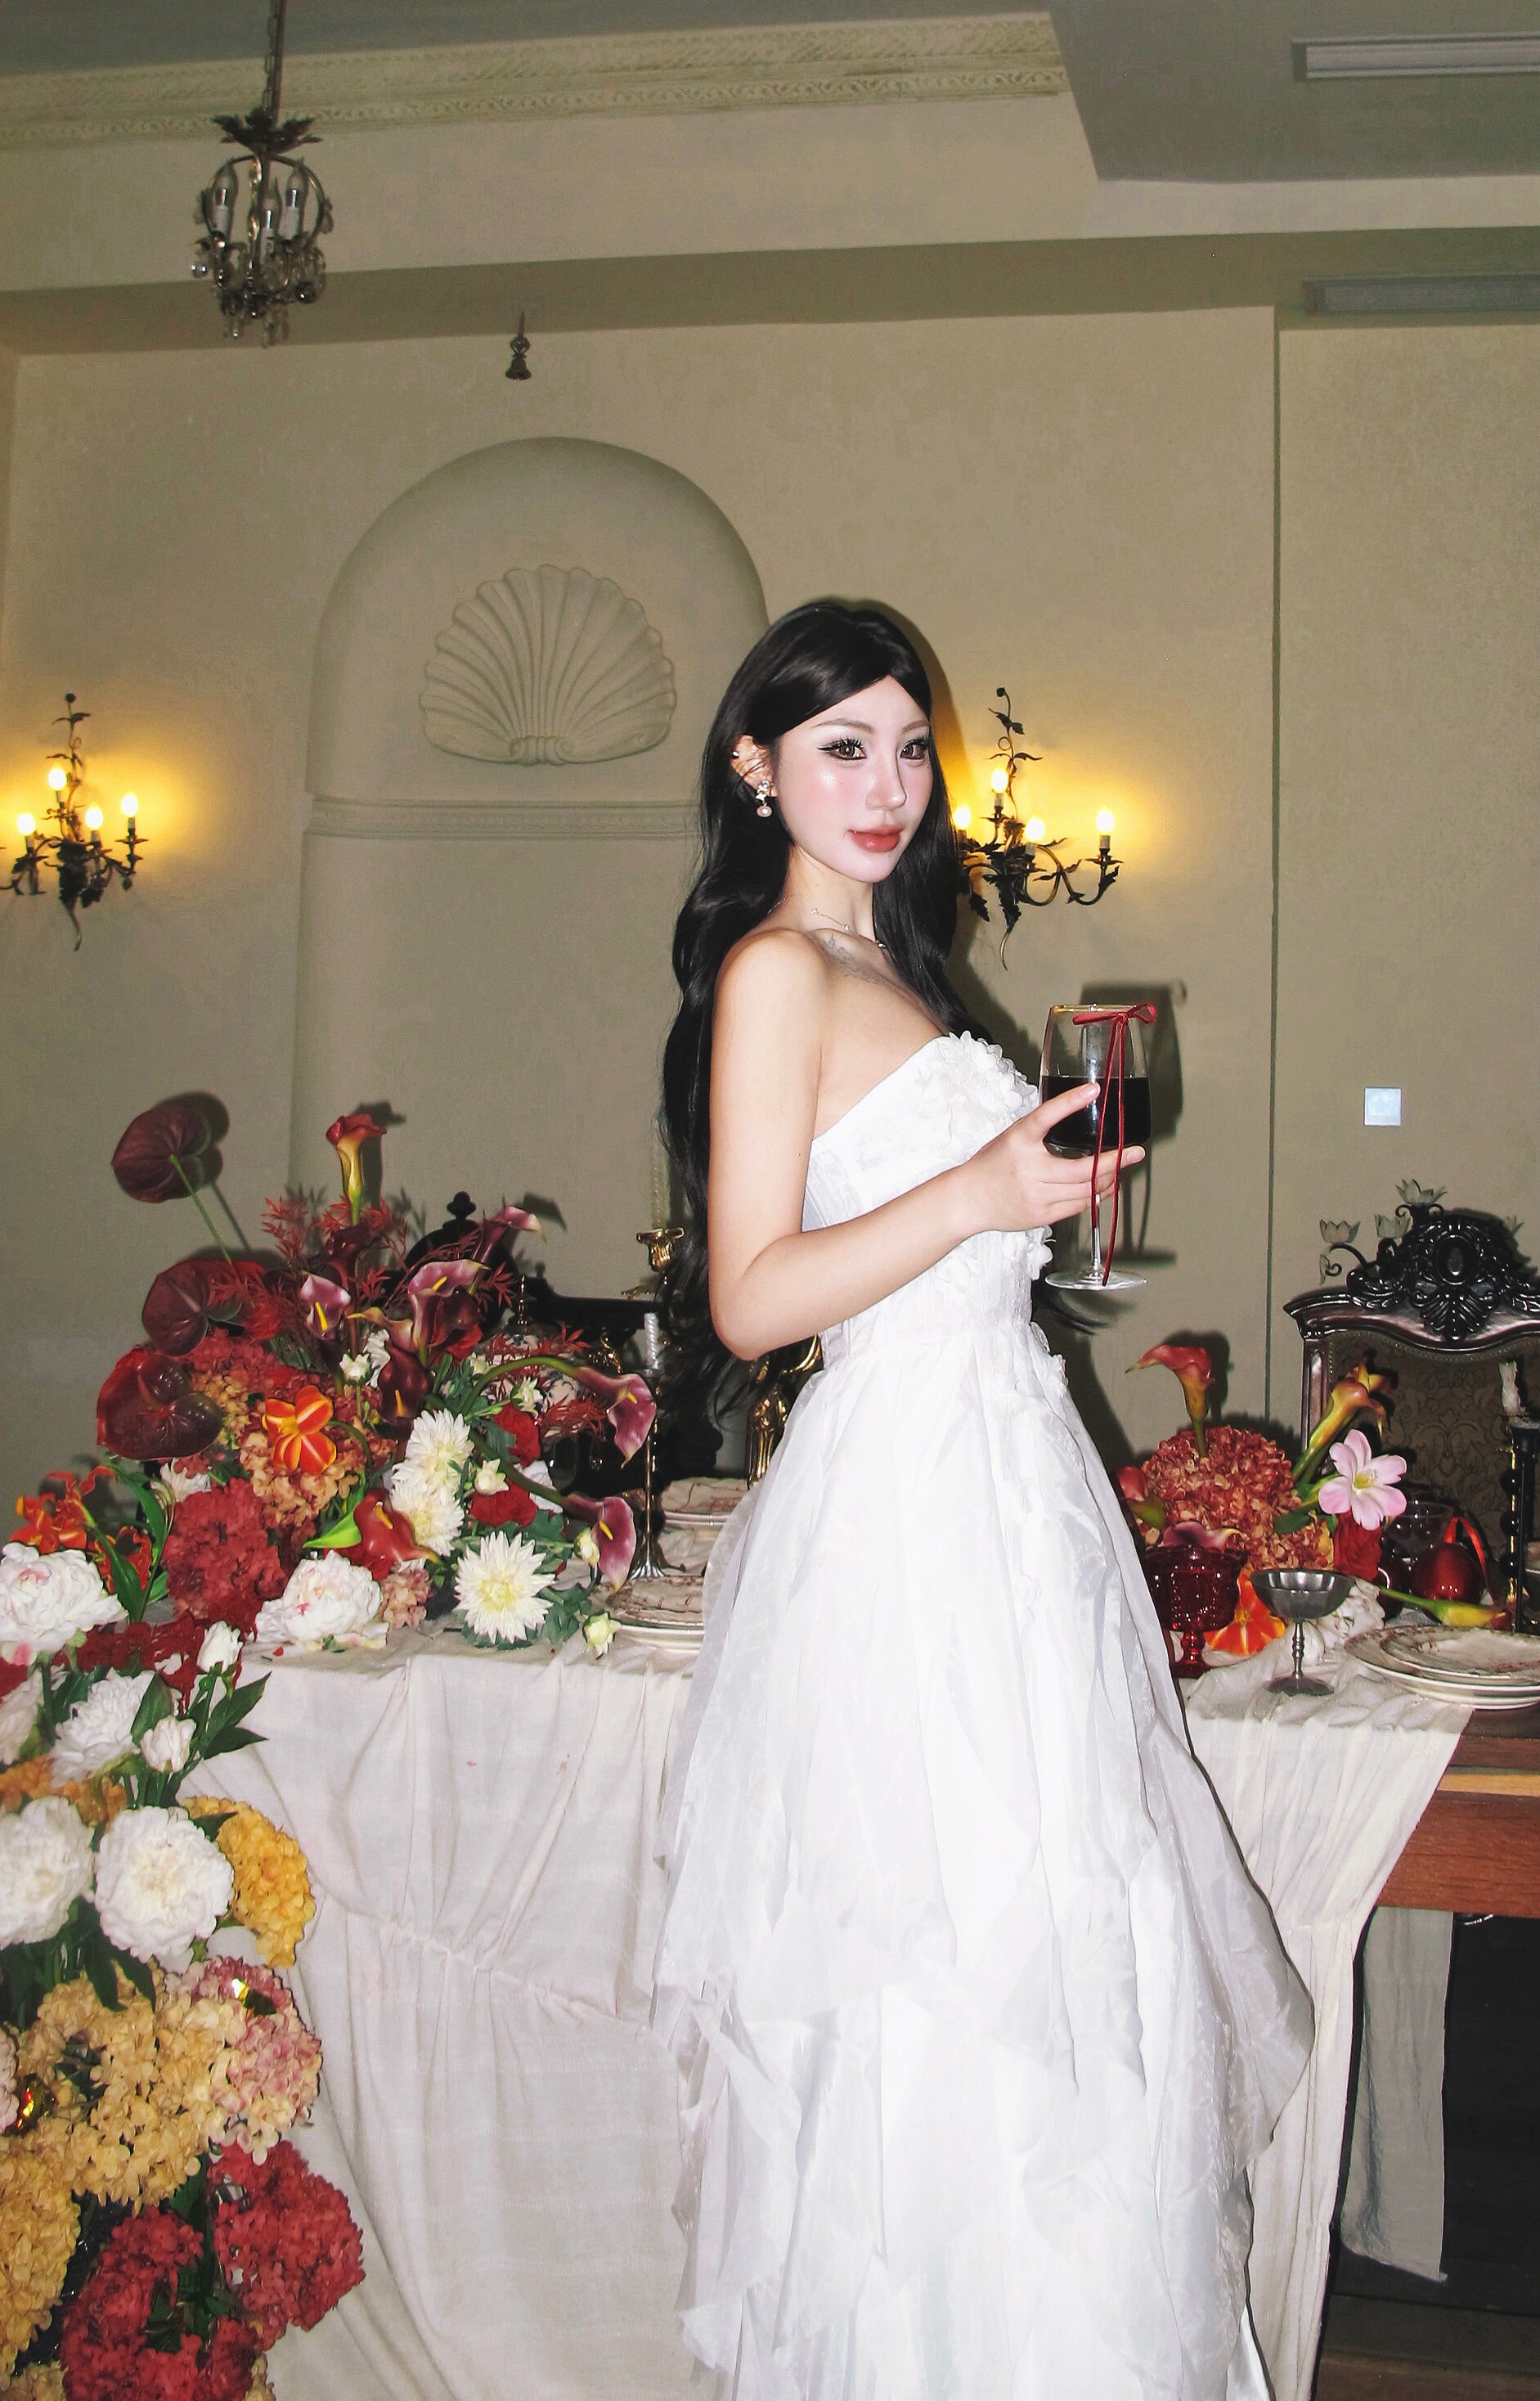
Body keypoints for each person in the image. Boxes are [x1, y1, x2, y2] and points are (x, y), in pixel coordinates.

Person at [651, 600, 1313, 2401]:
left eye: (905, 748)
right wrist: (973, 1194)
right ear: (756, 767)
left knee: (1066, 1938)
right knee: (933, 1969)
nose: (885, 785)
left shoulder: (906, 968)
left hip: (1008, 1479)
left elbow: (949, 1231)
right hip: (903, 1508)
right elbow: (751, 1298)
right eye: (839, 747)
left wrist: (1032, 1197)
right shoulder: (778, 972)